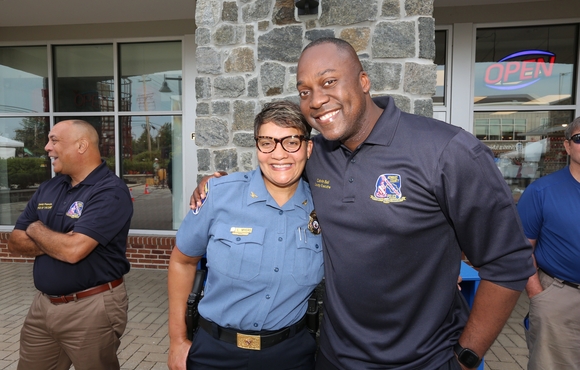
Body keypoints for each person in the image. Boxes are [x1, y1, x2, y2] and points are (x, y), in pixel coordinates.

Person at [192, 37, 535, 369]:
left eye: (329, 82)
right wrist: (217, 182)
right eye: (304, 91)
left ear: (364, 81)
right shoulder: (318, 157)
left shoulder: (446, 151)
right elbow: (278, 167)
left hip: (423, 359)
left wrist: (467, 357)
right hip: (332, 357)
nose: (316, 100)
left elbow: (508, 262)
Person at [168, 101, 324, 370]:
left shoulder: (325, 209)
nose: (278, 154)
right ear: (257, 147)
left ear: (308, 148)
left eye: (291, 142)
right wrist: (177, 340)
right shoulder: (218, 195)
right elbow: (182, 261)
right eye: (267, 142)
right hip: (215, 352)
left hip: (291, 355)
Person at [7, 119, 133, 370]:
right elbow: (15, 242)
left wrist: (36, 228)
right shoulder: (49, 187)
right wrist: (60, 239)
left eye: (54, 140)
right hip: (42, 307)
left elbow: (74, 252)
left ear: (81, 145)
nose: (46, 147)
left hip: (91, 308)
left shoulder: (110, 191)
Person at [517, 117, 580, 370]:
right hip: (561, 296)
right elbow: (521, 248)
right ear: (567, 146)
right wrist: (539, 295)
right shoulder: (542, 191)